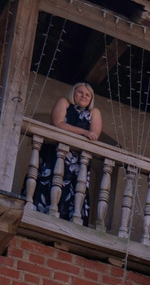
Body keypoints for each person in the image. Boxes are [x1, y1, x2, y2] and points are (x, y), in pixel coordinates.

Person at [33, 82, 104, 220]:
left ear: (91, 99)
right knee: (51, 181)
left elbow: (94, 134)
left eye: (87, 94)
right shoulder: (64, 103)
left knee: (75, 188)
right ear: (73, 93)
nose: (83, 96)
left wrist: (87, 133)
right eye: (80, 92)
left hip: (77, 161)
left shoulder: (94, 112)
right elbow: (58, 123)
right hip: (56, 154)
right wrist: (84, 132)